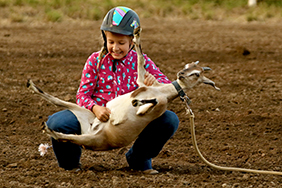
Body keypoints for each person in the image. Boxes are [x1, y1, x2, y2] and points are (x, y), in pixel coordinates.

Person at [46, 6, 179, 175]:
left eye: (121, 43)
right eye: (111, 42)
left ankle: (139, 160)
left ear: (132, 41)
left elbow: (167, 87)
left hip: (132, 119)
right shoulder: (95, 60)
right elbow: (82, 95)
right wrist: (95, 108)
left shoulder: (142, 61)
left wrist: (155, 84)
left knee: (169, 119)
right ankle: (70, 165)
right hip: (96, 117)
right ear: (104, 38)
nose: (115, 47)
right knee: (58, 123)